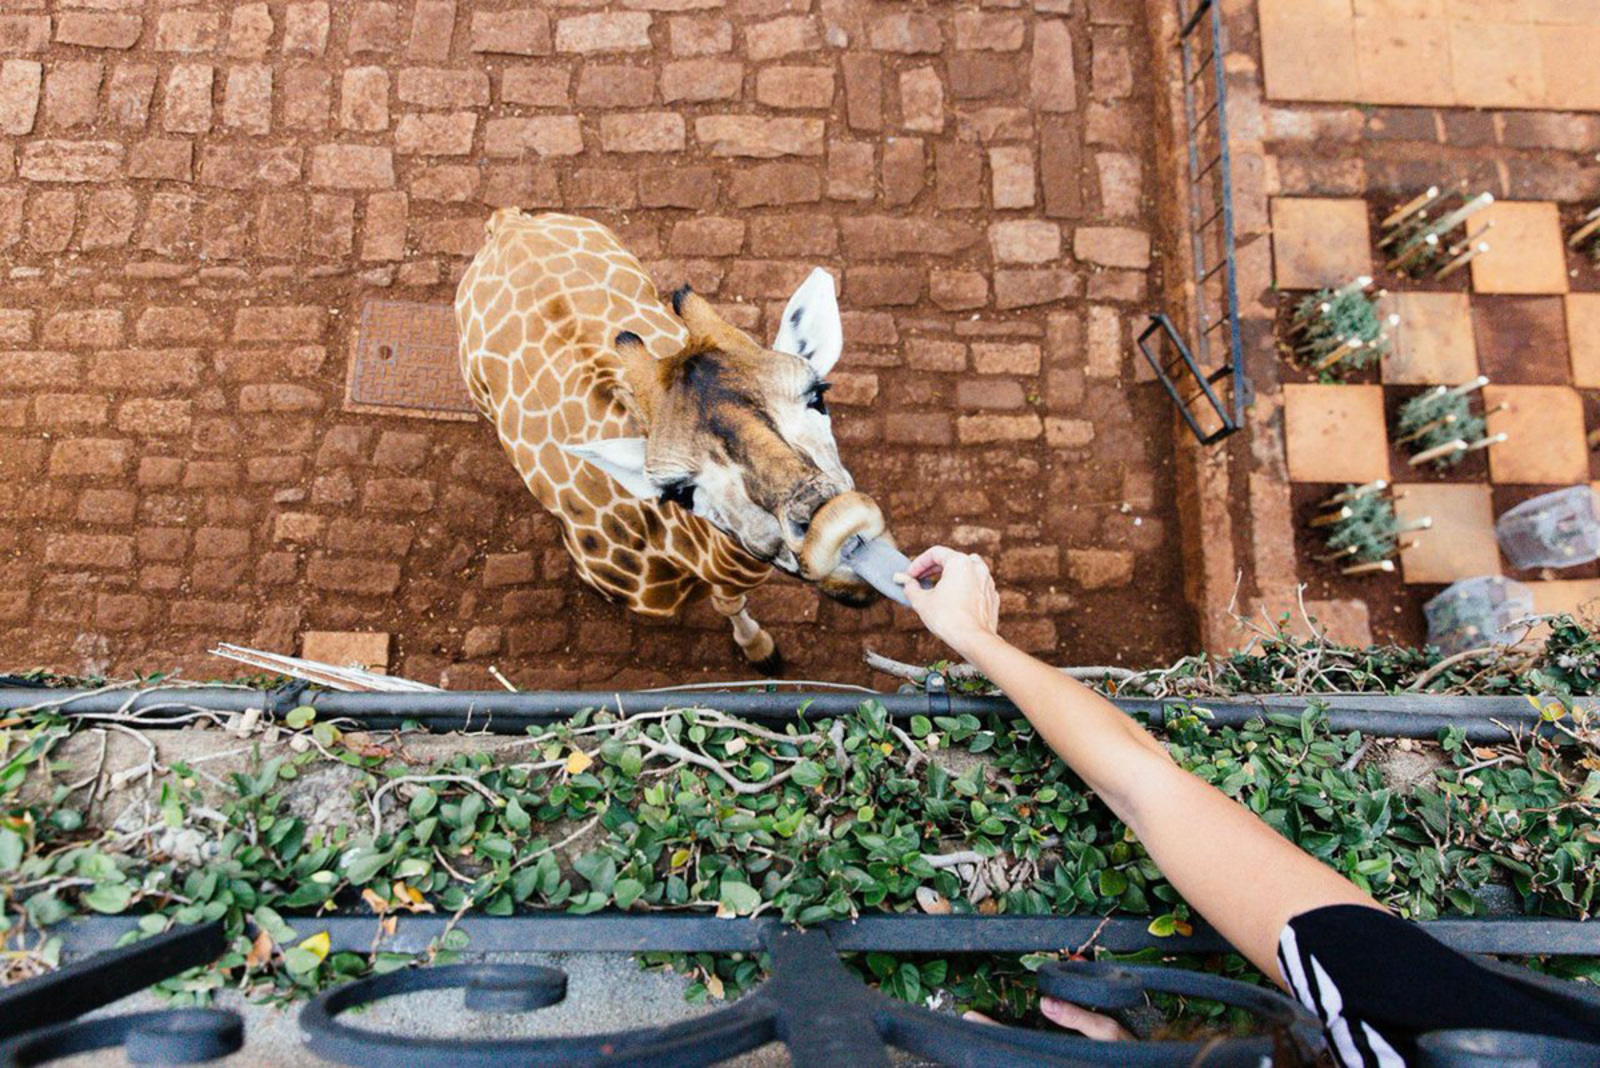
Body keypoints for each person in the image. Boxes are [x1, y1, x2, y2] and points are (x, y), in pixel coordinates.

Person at [895, 547, 1600, 1067]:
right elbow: (1146, 789)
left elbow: (1146, 785)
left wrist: (975, 637)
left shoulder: (1455, 1036)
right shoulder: (1439, 1025)